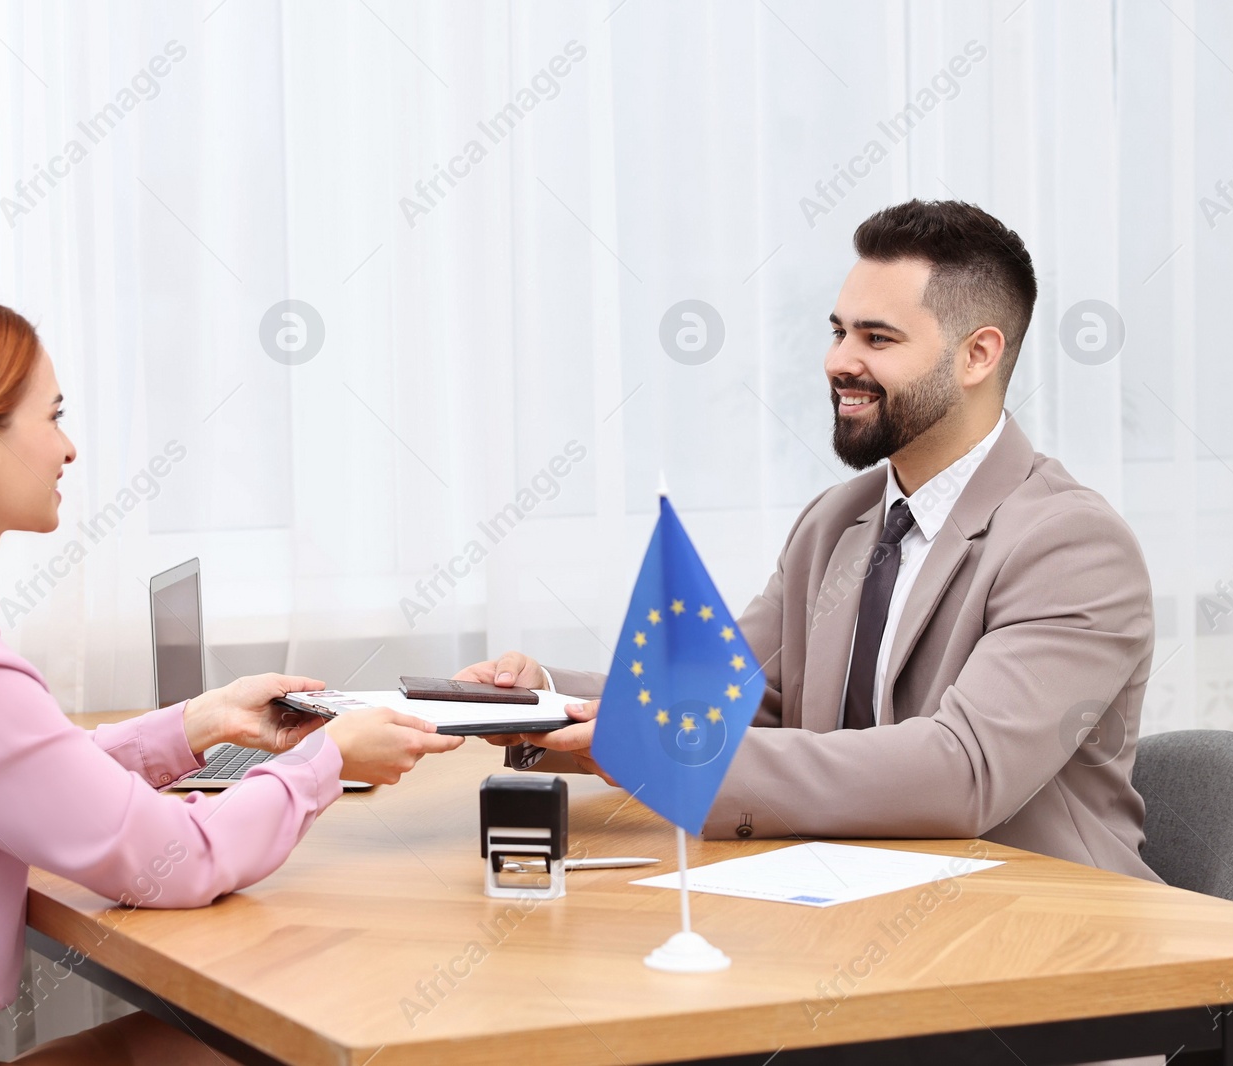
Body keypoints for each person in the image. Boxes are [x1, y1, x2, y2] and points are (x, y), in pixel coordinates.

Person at [0, 294, 463, 1064]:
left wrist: (195, 725)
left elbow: (25, 776)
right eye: (53, 417)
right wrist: (326, 763)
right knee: (254, 1047)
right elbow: (182, 859)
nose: (68, 450)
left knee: (201, 1045)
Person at [457, 199, 1159, 883]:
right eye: (838, 332)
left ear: (977, 355)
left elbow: (961, 772)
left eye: (877, 339)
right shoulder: (836, 522)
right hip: (858, 907)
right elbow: (725, 697)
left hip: (1047, 938)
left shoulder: (1072, 546)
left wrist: (664, 750)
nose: (838, 362)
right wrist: (542, 698)